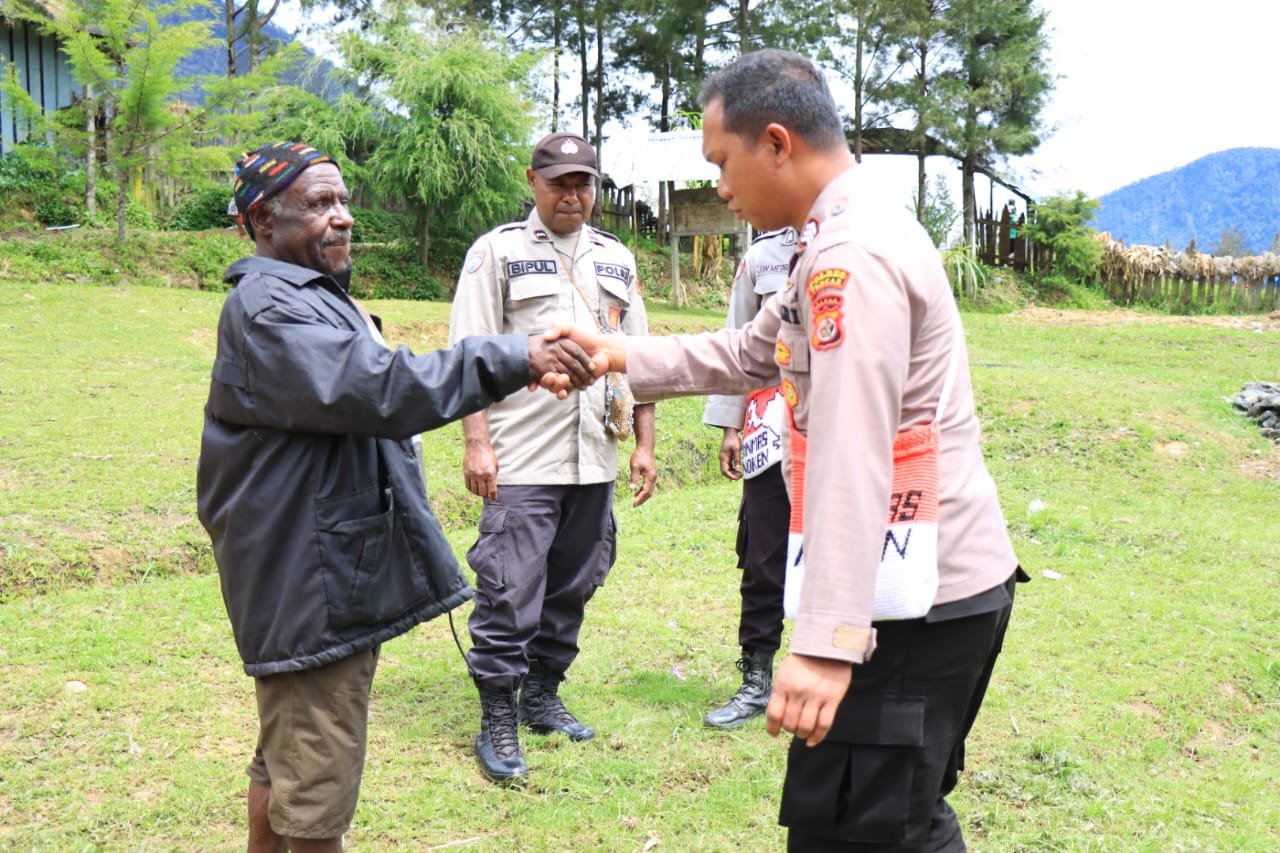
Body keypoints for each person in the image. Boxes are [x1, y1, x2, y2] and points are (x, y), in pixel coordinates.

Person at [556, 50, 1025, 851]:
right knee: (865, 822)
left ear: (776, 143)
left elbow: (852, 451)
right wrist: (615, 353)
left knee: (874, 828)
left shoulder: (852, 257)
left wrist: (825, 643)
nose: (723, 189)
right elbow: (750, 352)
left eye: (722, 163)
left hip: (912, 601)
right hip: (910, 585)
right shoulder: (834, 234)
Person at [197, 141, 597, 852]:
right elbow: (382, 389)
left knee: (285, 756)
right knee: (316, 789)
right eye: (320, 203)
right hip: (307, 587)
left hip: (309, 576)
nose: (342, 217)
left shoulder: (301, 295)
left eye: (344, 201)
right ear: (261, 218)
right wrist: (519, 355)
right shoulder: (270, 309)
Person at [448, 131, 657, 785]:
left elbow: (640, 358)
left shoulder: (617, 260)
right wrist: (476, 443)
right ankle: (498, 715)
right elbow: (469, 357)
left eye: (584, 182)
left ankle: (542, 694)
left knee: (574, 583)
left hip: (594, 456)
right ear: (533, 182)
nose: (573, 194)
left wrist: (646, 442)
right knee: (509, 589)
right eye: (560, 181)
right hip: (523, 458)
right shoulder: (498, 254)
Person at [700, 226, 795, 730]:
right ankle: (756, 680)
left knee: (850, 553)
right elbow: (738, 343)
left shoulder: (864, 241)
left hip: (842, 428)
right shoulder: (763, 257)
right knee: (763, 555)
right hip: (769, 428)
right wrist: (731, 425)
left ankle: (852, 676)